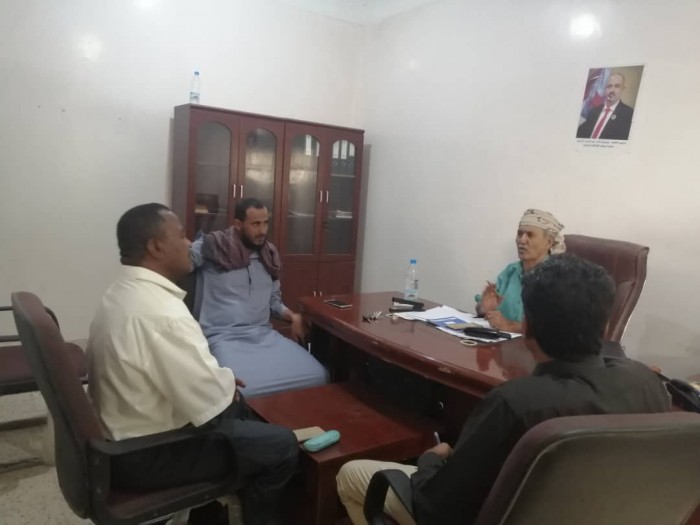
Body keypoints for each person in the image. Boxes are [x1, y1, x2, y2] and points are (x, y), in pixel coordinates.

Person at [336, 254, 671, 525]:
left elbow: (436, 507)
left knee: (351, 475)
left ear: (528, 327)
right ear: (604, 324)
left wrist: (429, 461)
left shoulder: (516, 404)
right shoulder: (649, 384)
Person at [87, 203, 298, 525]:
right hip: (147, 453)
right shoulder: (163, 313)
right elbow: (209, 405)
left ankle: (212, 511)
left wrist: (222, 384)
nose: (190, 243)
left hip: (123, 437)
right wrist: (224, 387)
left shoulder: (121, 292)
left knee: (241, 410)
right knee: (282, 445)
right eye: (182, 235)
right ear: (156, 247)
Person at [191, 197, 328, 398]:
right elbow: (178, 261)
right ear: (238, 224)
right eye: (255, 224)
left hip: (264, 335)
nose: (262, 230)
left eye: (265, 223)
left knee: (319, 375)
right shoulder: (213, 246)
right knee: (243, 390)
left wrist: (293, 316)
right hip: (222, 338)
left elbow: (274, 303)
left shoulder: (269, 255)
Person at [475, 208, 564, 333]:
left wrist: (511, 326)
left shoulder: (558, 278)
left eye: (530, 235)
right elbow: (484, 310)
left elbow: (557, 329)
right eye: (519, 234)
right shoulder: (511, 271)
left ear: (548, 242)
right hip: (501, 341)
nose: (522, 240)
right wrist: (483, 308)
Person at [576, 71, 634, 140]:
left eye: (617, 86)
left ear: (622, 89)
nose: (612, 90)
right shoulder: (593, 111)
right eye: (609, 86)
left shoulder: (629, 115)